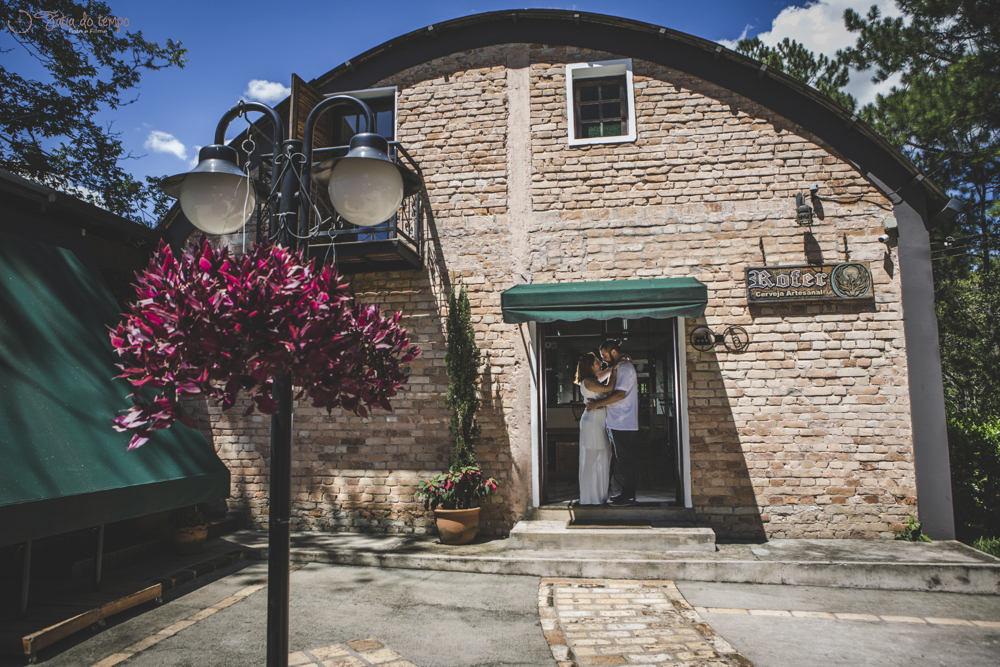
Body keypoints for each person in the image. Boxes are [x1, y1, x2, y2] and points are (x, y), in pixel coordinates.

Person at [585, 339, 639, 506]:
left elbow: (619, 395)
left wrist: (597, 404)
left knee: (625, 459)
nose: (603, 359)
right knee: (622, 458)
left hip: (622, 421)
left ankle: (629, 495)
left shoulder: (623, 368)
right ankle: (625, 493)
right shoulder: (620, 367)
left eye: (605, 355)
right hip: (618, 421)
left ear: (614, 352)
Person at [574, 352, 618, 505]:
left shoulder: (593, 380)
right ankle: (592, 497)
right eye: (597, 361)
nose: (600, 363)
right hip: (593, 423)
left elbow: (608, 371)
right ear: (590, 365)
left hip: (597, 421)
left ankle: (599, 495)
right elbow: (611, 387)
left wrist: (615, 365)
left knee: (603, 455)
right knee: (596, 457)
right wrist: (616, 370)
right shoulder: (588, 382)